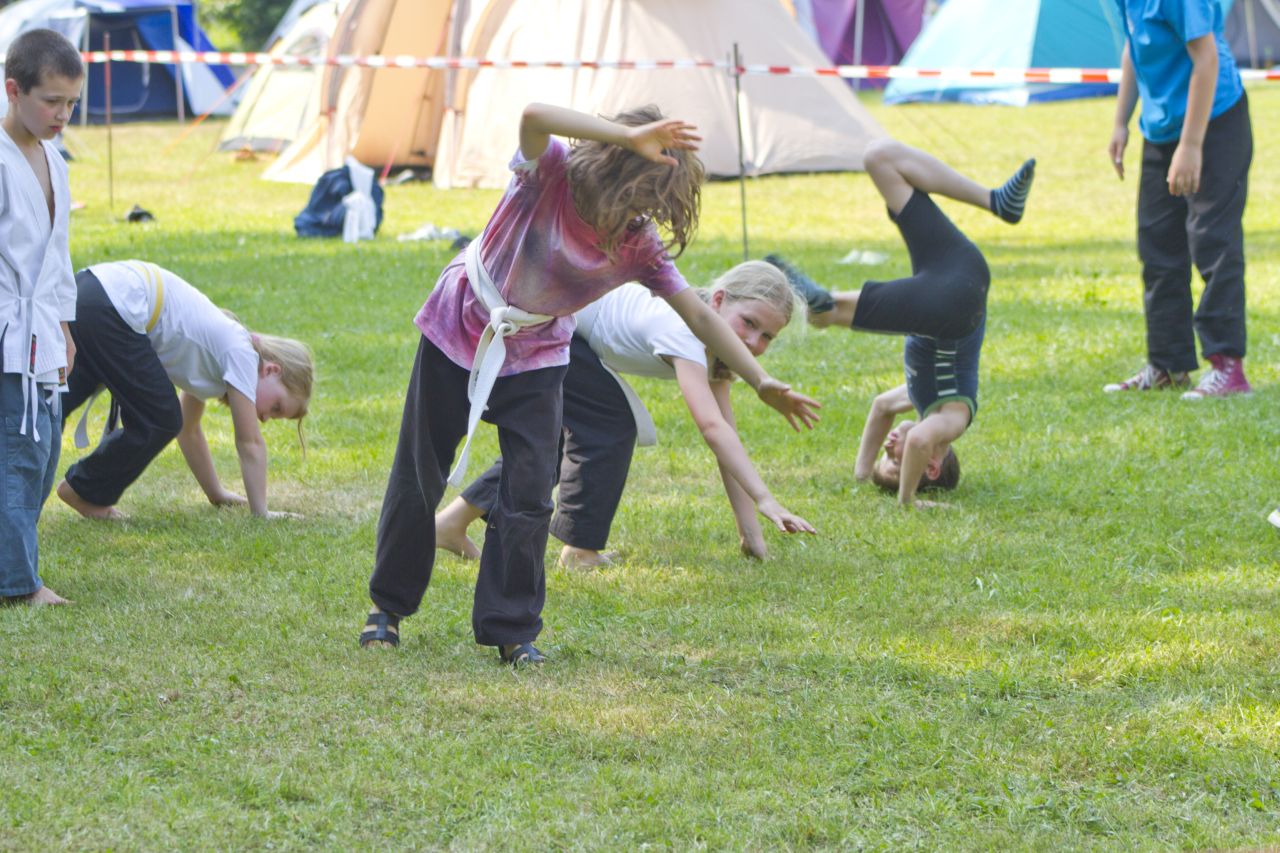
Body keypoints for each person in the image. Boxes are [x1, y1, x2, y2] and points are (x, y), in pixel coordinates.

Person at [359, 103, 819, 664]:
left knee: (530, 491)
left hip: (539, 352)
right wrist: (628, 134)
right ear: (616, 162)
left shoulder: (637, 243)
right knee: (421, 468)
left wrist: (761, 379)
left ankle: (511, 630)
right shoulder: (548, 171)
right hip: (461, 323)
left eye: (655, 202)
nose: (644, 211)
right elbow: (533, 114)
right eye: (642, 193)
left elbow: (700, 316)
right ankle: (387, 608)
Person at [436, 260, 816, 569]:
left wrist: (752, 535)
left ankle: (451, 524)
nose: (753, 341)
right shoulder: (683, 331)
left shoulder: (716, 352)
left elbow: (725, 441)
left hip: (561, 329)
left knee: (559, 440)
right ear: (717, 301)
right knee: (608, 423)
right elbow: (711, 427)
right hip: (547, 324)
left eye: (767, 336)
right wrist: (765, 499)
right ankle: (580, 551)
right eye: (749, 323)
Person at [765, 137, 1034, 507]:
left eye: (884, 455)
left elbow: (881, 407)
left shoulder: (925, 400)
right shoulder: (952, 419)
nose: (889, 447)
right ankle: (824, 306)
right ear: (932, 467)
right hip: (952, 305)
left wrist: (862, 473)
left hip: (953, 268)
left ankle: (995, 201)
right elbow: (920, 440)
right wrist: (907, 500)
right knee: (823, 313)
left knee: (880, 158)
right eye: (894, 460)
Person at [56, 261, 312, 520]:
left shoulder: (217, 360)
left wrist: (216, 493)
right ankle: (85, 492)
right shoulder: (242, 354)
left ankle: (35, 494)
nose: (265, 418)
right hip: (114, 305)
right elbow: (249, 443)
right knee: (159, 418)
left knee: (53, 406)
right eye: (276, 407)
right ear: (271, 370)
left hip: (91, 291)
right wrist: (261, 513)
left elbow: (188, 431)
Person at [1103, 0, 1252, 399]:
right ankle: (1168, 365)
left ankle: (1228, 367)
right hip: (1161, 128)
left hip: (1214, 120)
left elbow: (1206, 59)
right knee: (1158, 246)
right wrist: (1120, 122)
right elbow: (1135, 46)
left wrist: (1191, 145)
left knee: (1212, 241)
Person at [0, 30, 83, 606]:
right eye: (51, 101)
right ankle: (17, 582)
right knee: (19, 454)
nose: (63, 115)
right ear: (14, 90)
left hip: (43, 332)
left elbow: (59, 255)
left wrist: (65, 327)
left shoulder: (54, 158)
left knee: (45, 450)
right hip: (8, 331)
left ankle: (15, 563)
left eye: (72, 103)